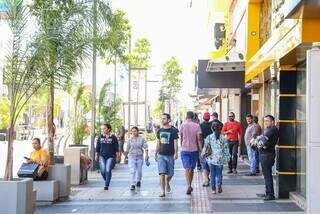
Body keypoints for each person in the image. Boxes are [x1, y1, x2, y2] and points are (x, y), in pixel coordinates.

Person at [253, 115, 279, 201]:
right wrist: (258, 142)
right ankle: (268, 192)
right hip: (265, 155)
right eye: (265, 121)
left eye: (268, 120)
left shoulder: (272, 130)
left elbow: (262, 143)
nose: (266, 122)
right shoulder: (268, 130)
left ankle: (270, 194)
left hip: (267, 155)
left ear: (272, 121)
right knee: (266, 175)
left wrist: (257, 143)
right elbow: (259, 139)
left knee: (267, 175)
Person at [201, 121, 230, 194]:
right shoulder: (223, 138)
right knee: (219, 173)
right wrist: (227, 157)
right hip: (220, 158)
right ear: (220, 128)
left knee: (212, 174)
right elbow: (226, 149)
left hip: (211, 159)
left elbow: (205, 147)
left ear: (212, 128)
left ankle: (213, 189)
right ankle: (219, 184)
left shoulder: (209, 137)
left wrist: (202, 155)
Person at [156, 113, 179, 197]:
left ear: (169, 120)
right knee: (162, 173)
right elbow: (158, 142)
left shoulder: (173, 130)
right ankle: (162, 191)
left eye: (164, 118)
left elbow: (176, 142)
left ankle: (167, 182)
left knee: (170, 174)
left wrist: (176, 153)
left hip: (170, 155)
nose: (162, 120)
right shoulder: (159, 130)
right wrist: (156, 153)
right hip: (161, 155)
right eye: (161, 118)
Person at [180, 111, 202, 195]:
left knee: (186, 168)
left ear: (186, 116)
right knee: (191, 169)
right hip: (194, 150)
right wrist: (200, 149)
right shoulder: (197, 126)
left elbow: (181, 138)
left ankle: (188, 185)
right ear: (193, 117)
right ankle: (190, 184)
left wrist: (182, 145)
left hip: (184, 149)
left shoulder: (182, 125)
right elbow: (199, 139)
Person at [95, 124, 120, 190]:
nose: (103, 130)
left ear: (108, 129)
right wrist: (96, 155)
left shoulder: (113, 137)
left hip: (111, 156)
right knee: (103, 171)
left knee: (108, 170)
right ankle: (107, 180)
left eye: (104, 128)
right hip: (102, 156)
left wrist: (117, 156)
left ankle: (106, 185)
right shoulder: (100, 137)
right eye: (103, 128)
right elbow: (98, 147)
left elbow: (116, 148)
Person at [125, 126, 149, 191]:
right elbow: (127, 148)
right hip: (131, 157)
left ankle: (138, 180)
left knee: (139, 171)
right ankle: (132, 184)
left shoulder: (142, 139)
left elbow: (146, 147)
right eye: (132, 131)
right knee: (132, 171)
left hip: (139, 157)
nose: (133, 132)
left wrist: (146, 155)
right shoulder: (130, 139)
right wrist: (125, 156)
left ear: (138, 131)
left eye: (135, 131)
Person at [200, 112, 213, 187]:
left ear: (203, 118)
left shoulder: (200, 125)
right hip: (211, 146)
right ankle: (207, 177)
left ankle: (206, 180)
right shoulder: (212, 125)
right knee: (209, 162)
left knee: (204, 163)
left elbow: (199, 137)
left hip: (204, 146)